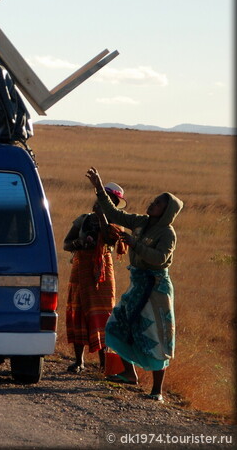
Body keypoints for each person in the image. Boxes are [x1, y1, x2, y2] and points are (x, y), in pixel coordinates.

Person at [85, 167, 183, 402]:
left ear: (167, 211)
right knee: (118, 324)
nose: (152, 204)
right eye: (154, 201)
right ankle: (129, 374)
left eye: (158, 204)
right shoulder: (140, 221)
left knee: (156, 335)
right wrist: (99, 186)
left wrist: (135, 244)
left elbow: (160, 259)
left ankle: (157, 390)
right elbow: (113, 213)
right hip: (138, 283)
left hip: (156, 288)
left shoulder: (168, 233)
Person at [63, 182, 128, 373]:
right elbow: (67, 244)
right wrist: (80, 243)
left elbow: (109, 240)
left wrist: (101, 217)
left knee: (103, 315)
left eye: (110, 201)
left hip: (102, 273)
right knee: (79, 311)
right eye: (104, 199)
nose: (105, 204)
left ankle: (104, 363)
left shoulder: (116, 225)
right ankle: (79, 361)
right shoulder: (83, 220)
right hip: (81, 268)